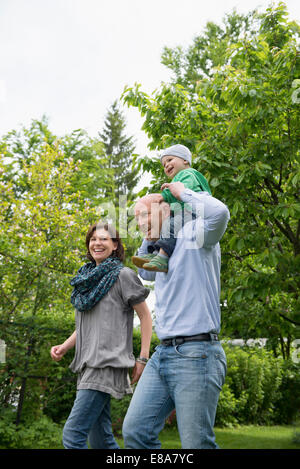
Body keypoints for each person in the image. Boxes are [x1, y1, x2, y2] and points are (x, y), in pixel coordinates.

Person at [122, 180, 230, 449]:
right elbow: (144, 273)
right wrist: (150, 236)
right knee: (135, 431)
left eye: (144, 213)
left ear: (166, 208)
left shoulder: (197, 233)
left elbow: (220, 213)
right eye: (136, 218)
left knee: (196, 444)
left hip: (197, 352)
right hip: (164, 354)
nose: (140, 222)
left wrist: (183, 193)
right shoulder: (161, 249)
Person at [50, 222, 152, 449]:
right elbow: (88, 324)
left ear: (115, 245)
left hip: (106, 364)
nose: (97, 243)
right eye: (93, 239)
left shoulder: (123, 276)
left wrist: (142, 358)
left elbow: (145, 317)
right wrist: (65, 346)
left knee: (73, 435)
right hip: (87, 363)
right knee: (101, 441)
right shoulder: (87, 280)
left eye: (104, 239)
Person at [132, 144, 211, 273]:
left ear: (185, 160)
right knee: (165, 226)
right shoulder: (178, 179)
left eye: (170, 160)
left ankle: (162, 257)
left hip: (194, 213)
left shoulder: (189, 173)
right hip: (185, 212)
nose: (167, 165)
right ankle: (155, 253)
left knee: (171, 226)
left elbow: (184, 189)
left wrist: (164, 196)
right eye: (164, 164)